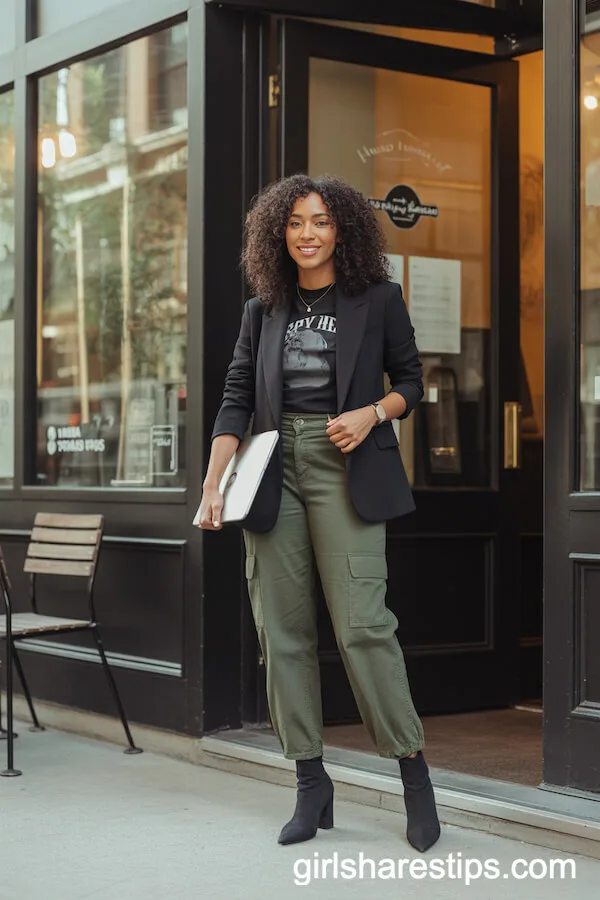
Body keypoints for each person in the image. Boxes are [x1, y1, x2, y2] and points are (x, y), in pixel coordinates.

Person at [198, 174, 440, 852]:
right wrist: (214, 484)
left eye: (321, 221)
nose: (307, 233)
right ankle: (311, 783)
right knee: (283, 631)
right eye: (296, 222)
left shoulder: (378, 299)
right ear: (279, 232)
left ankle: (414, 775)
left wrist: (371, 414)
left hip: (348, 465)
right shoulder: (262, 310)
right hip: (276, 467)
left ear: (344, 232)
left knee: (364, 624)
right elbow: (236, 400)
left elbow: (413, 381)